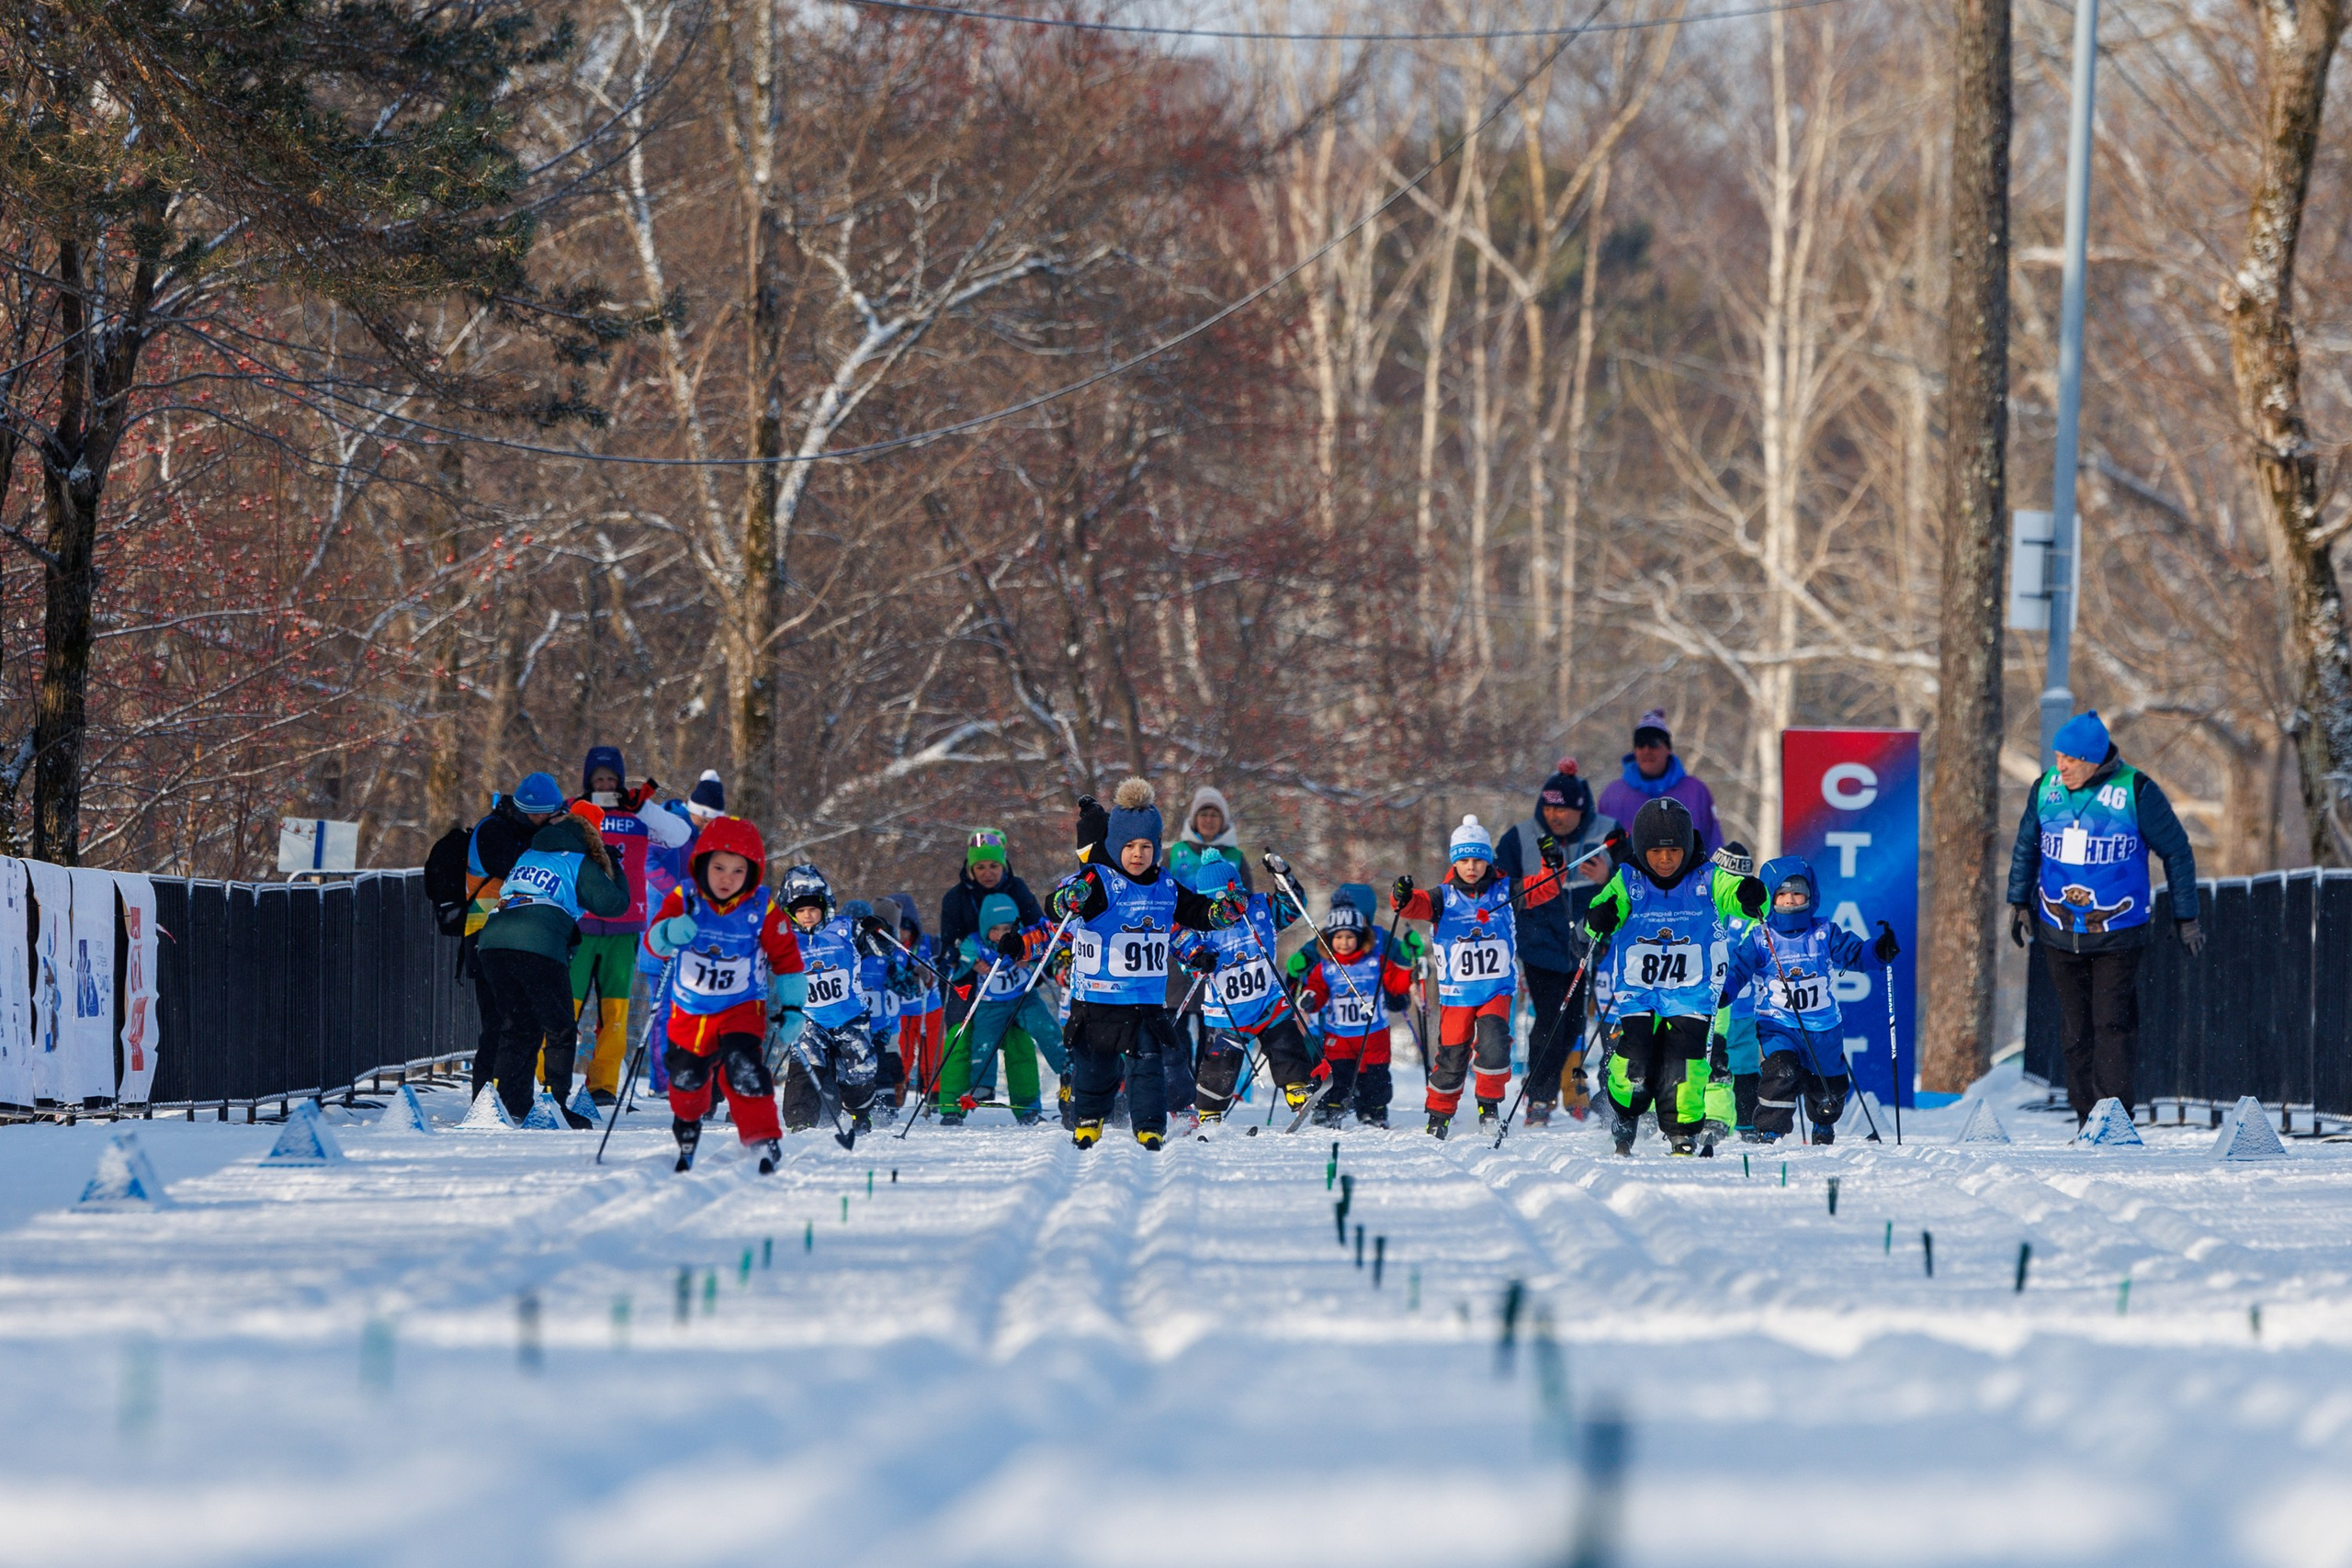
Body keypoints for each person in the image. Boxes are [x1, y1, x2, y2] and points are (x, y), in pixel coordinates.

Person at [2005, 710, 2202, 1125]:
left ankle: (2112, 1118)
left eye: (2071, 759)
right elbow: (2027, 846)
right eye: (2058, 756)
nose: (2062, 766)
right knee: (2075, 1030)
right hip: (2058, 930)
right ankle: (2084, 1117)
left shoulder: (2136, 790)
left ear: (2094, 759)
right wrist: (2018, 901)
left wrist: (2187, 916)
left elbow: (2177, 851)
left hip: (2119, 932)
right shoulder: (2046, 789)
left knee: (2111, 1023)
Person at [1049, 778, 1247, 1150]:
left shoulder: (1165, 886)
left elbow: (1194, 912)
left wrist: (1222, 912)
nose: (1137, 854)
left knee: (1149, 1066)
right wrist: (1067, 901)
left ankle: (1150, 1125)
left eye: (1146, 847)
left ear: (1157, 849)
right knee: (1095, 1067)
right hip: (1098, 999)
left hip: (1145, 1001)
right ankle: (1089, 1120)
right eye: (1129, 847)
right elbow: (1057, 906)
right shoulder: (1101, 880)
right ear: (1114, 847)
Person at [1583, 797, 1765, 1156]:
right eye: (1655, 852)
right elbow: (1601, 913)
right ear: (1641, 850)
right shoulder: (1628, 879)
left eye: (1674, 852)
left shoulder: (1707, 877)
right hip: (1641, 991)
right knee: (1636, 1059)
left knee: (1686, 1062)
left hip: (1692, 990)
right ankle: (1623, 1109)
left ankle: (1682, 1129)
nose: (1665, 860)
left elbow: (1734, 893)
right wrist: (1600, 919)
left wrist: (1748, 895)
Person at [642, 816, 804, 1172]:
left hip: (741, 1006)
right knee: (686, 1078)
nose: (726, 878)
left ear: (752, 873)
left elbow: (787, 958)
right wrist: (669, 930)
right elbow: (653, 943)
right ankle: (687, 1125)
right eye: (718, 867)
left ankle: (762, 1137)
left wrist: (793, 1008)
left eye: (737, 870)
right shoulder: (685, 897)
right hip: (690, 1010)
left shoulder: (763, 908)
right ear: (702, 864)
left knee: (744, 1070)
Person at [1716, 856, 1899, 1145]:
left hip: (1823, 1026)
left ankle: (1823, 1123)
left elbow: (1854, 954)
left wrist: (1878, 950)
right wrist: (1723, 991)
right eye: (1782, 893)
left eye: (1797, 892)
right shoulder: (1761, 937)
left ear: (1810, 894)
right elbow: (1737, 968)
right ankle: (1770, 1130)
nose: (1790, 900)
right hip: (1778, 1024)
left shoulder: (1824, 933)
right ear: (1770, 897)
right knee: (1781, 1071)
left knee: (1829, 1084)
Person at [473, 807, 628, 1127]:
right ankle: (553, 1106)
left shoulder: (530, 853)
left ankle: (506, 1104)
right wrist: (618, 868)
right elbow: (614, 905)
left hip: (492, 941)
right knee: (560, 1028)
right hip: (538, 943)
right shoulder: (577, 860)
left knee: (518, 1026)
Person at [1493, 761, 1622, 1127]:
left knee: (1574, 1023)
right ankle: (1538, 1095)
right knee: (1550, 1018)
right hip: (1540, 943)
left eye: (1563, 808)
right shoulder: (1520, 837)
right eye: (1549, 807)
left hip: (1587, 943)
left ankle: (1560, 1090)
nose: (1555, 816)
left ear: (1580, 808)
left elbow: (1633, 879)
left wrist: (1608, 876)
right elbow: (1500, 886)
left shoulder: (1608, 832)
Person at [570, 746, 692, 1103]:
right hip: (579, 924)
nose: (606, 785)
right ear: (587, 782)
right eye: (599, 780)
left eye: (611, 779)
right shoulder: (575, 812)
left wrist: (644, 807)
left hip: (624, 928)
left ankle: (604, 1084)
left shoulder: (639, 815)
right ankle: (551, 1079)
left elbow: (679, 836)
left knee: (615, 1012)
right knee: (566, 1007)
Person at [1391, 815, 1519, 1139]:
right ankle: (1439, 1114)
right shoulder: (1442, 897)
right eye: (1464, 860)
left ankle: (1489, 1109)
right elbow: (1411, 907)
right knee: (1452, 1054)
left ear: (1488, 860)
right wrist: (1401, 896)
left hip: (1495, 990)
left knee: (1493, 1047)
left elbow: (1542, 889)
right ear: (1455, 862)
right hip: (1457, 994)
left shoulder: (1505, 890)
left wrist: (1551, 864)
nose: (1471, 866)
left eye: (1477, 859)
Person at [1173, 857, 1310, 1125]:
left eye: (1234, 902)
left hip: (1267, 1001)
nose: (1230, 911)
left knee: (1286, 1041)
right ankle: (1209, 1110)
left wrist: (1285, 880)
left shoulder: (1261, 907)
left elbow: (1293, 908)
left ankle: (1297, 1088)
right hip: (1227, 1012)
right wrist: (1197, 959)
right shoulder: (1202, 923)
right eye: (1221, 905)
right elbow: (1183, 949)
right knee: (1220, 1065)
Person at [458, 772, 568, 1098]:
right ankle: (486, 1100)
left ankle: (515, 1098)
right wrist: (555, 835)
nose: (540, 821)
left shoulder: (522, 831)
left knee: (527, 1024)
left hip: (518, 938)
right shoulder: (493, 830)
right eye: (537, 816)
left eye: (546, 816)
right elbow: (516, 867)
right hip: (484, 935)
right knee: (499, 1024)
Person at [774, 866, 893, 1136]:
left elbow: (882, 948)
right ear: (790, 911)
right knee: (805, 1067)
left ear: (825, 905)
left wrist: (877, 929)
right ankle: (800, 1120)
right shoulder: (784, 938)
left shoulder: (845, 929)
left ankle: (860, 1113)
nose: (807, 915)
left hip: (849, 1016)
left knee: (857, 1073)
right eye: (800, 910)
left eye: (813, 908)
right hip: (809, 1018)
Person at [934, 893, 1065, 1124]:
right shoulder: (974, 943)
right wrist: (973, 964)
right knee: (983, 1042)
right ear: (986, 929)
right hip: (989, 1003)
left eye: (1007, 927)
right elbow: (958, 963)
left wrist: (1029, 960)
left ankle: (1066, 1067)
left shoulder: (1022, 938)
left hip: (1023, 998)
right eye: (995, 929)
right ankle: (982, 1084)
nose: (1002, 933)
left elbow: (1045, 951)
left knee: (1044, 1026)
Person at [1295, 901, 1414, 1127]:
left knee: (1376, 1077)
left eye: (1350, 937)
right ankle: (1331, 1109)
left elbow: (1396, 981)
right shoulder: (1326, 966)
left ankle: (1374, 1111)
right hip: (1338, 1034)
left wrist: (1413, 974)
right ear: (1329, 939)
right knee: (1338, 1076)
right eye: (1338, 937)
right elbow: (1317, 990)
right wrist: (1309, 998)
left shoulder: (1375, 961)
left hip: (1374, 1033)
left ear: (1361, 937)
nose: (1344, 943)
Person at [1595, 709, 1723, 858]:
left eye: (1653, 744)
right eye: (1640, 744)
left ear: (1668, 748)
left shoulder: (1696, 791)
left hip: (1689, 880)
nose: (1646, 751)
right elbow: (1601, 850)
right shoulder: (1613, 795)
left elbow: (1714, 844)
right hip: (1627, 880)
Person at [886, 893, 945, 1108]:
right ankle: (898, 1088)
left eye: (905, 928)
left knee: (932, 1052)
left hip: (929, 1008)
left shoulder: (929, 944)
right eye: (896, 928)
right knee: (903, 1053)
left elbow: (946, 961)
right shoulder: (887, 949)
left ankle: (933, 1091)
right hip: (902, 1011)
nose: (900, 934)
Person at [1167, 786, 1257, 892]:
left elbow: (1248, 898)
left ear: (1223, 821)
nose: (1209, 820)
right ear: (1195, 819)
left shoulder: (1235, 857)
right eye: (1203, 815)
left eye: (1214, 815)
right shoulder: (1174, 853)